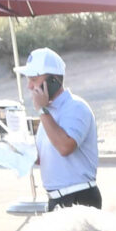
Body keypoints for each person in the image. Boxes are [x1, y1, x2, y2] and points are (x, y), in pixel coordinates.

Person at [16, 48, 101, 210]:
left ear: (53, 81)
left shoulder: (76, 107)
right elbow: (44, 157)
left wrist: (42, 111)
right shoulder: (49, 112)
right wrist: (16, 152)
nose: (29, 86)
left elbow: (64, 147)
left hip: (79, 197)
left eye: (33, 79)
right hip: (56, 199)